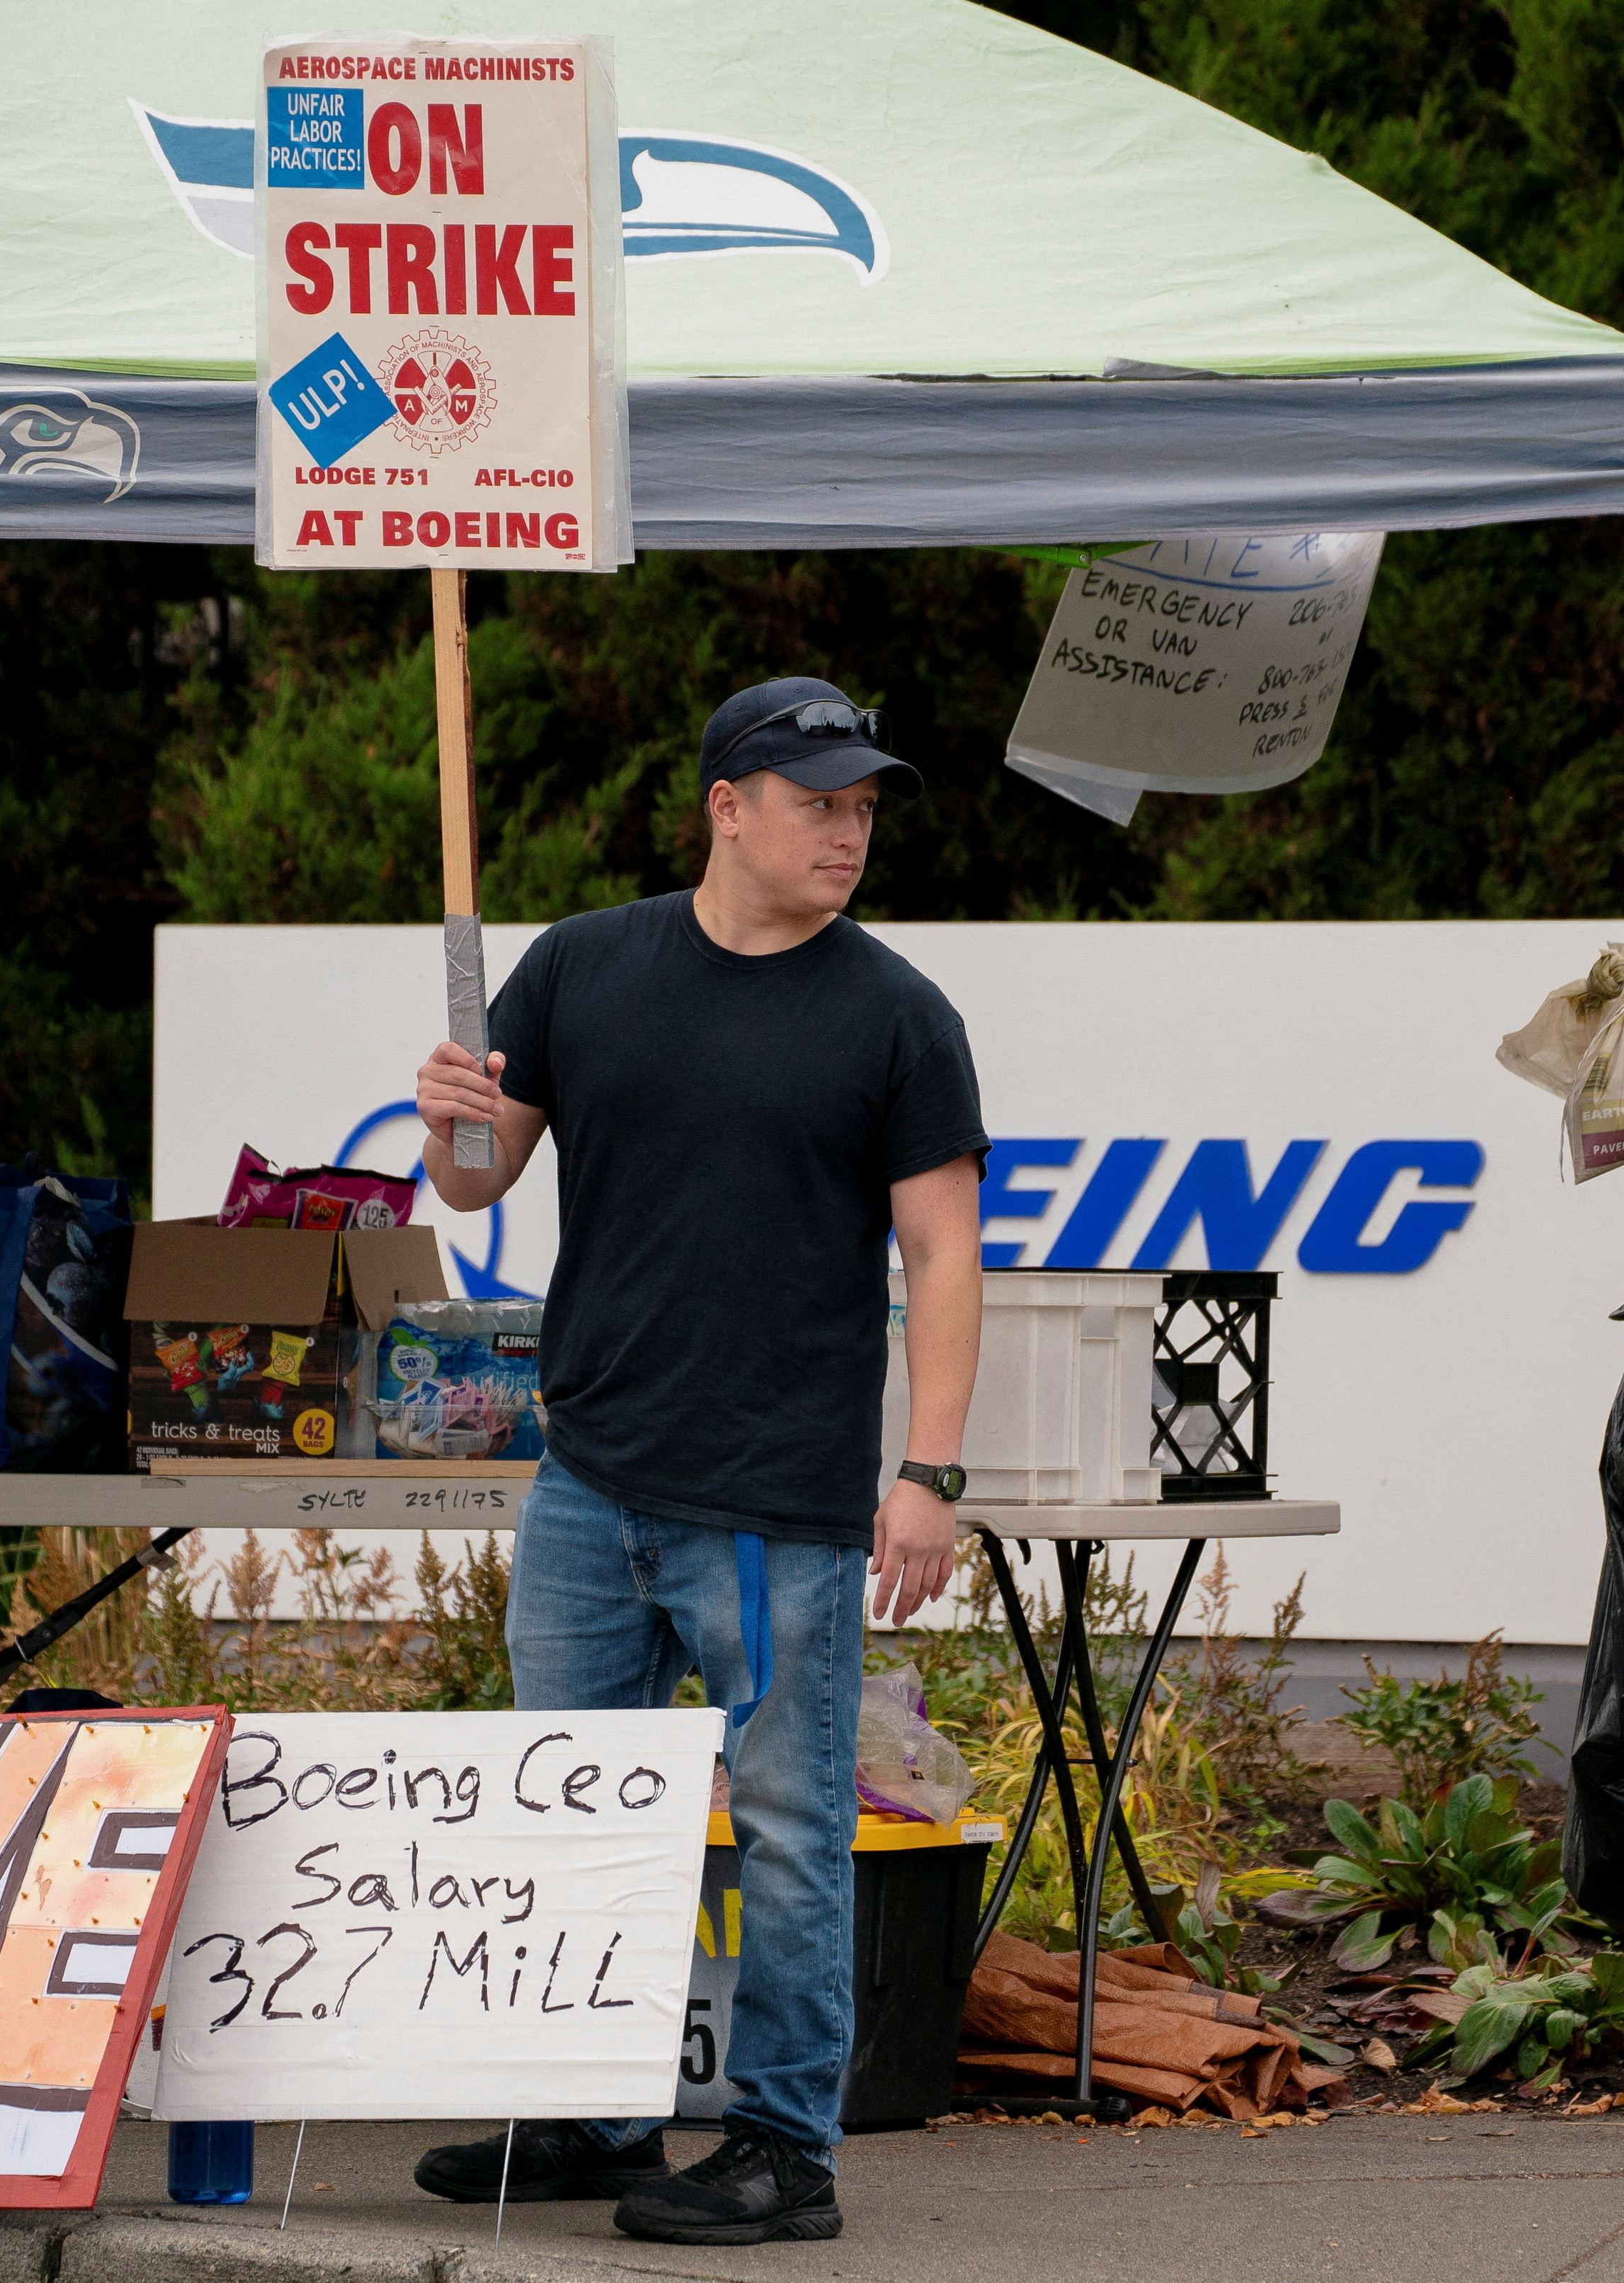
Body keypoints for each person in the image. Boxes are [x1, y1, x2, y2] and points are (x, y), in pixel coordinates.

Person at [405, 676, 986, 2247]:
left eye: (865, 807)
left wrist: (928, 1470)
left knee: (790, 1824)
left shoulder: (896, 1011)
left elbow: (943, 1252)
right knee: (571, 1803)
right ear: (728, 805)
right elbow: (475, 1182)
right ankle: (596, 2111)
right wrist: (445, 1112)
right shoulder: (586, 964)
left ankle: (788, 2149)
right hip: (590, 1471)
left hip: (779, 1493)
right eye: (822, 803)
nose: (851, 831)